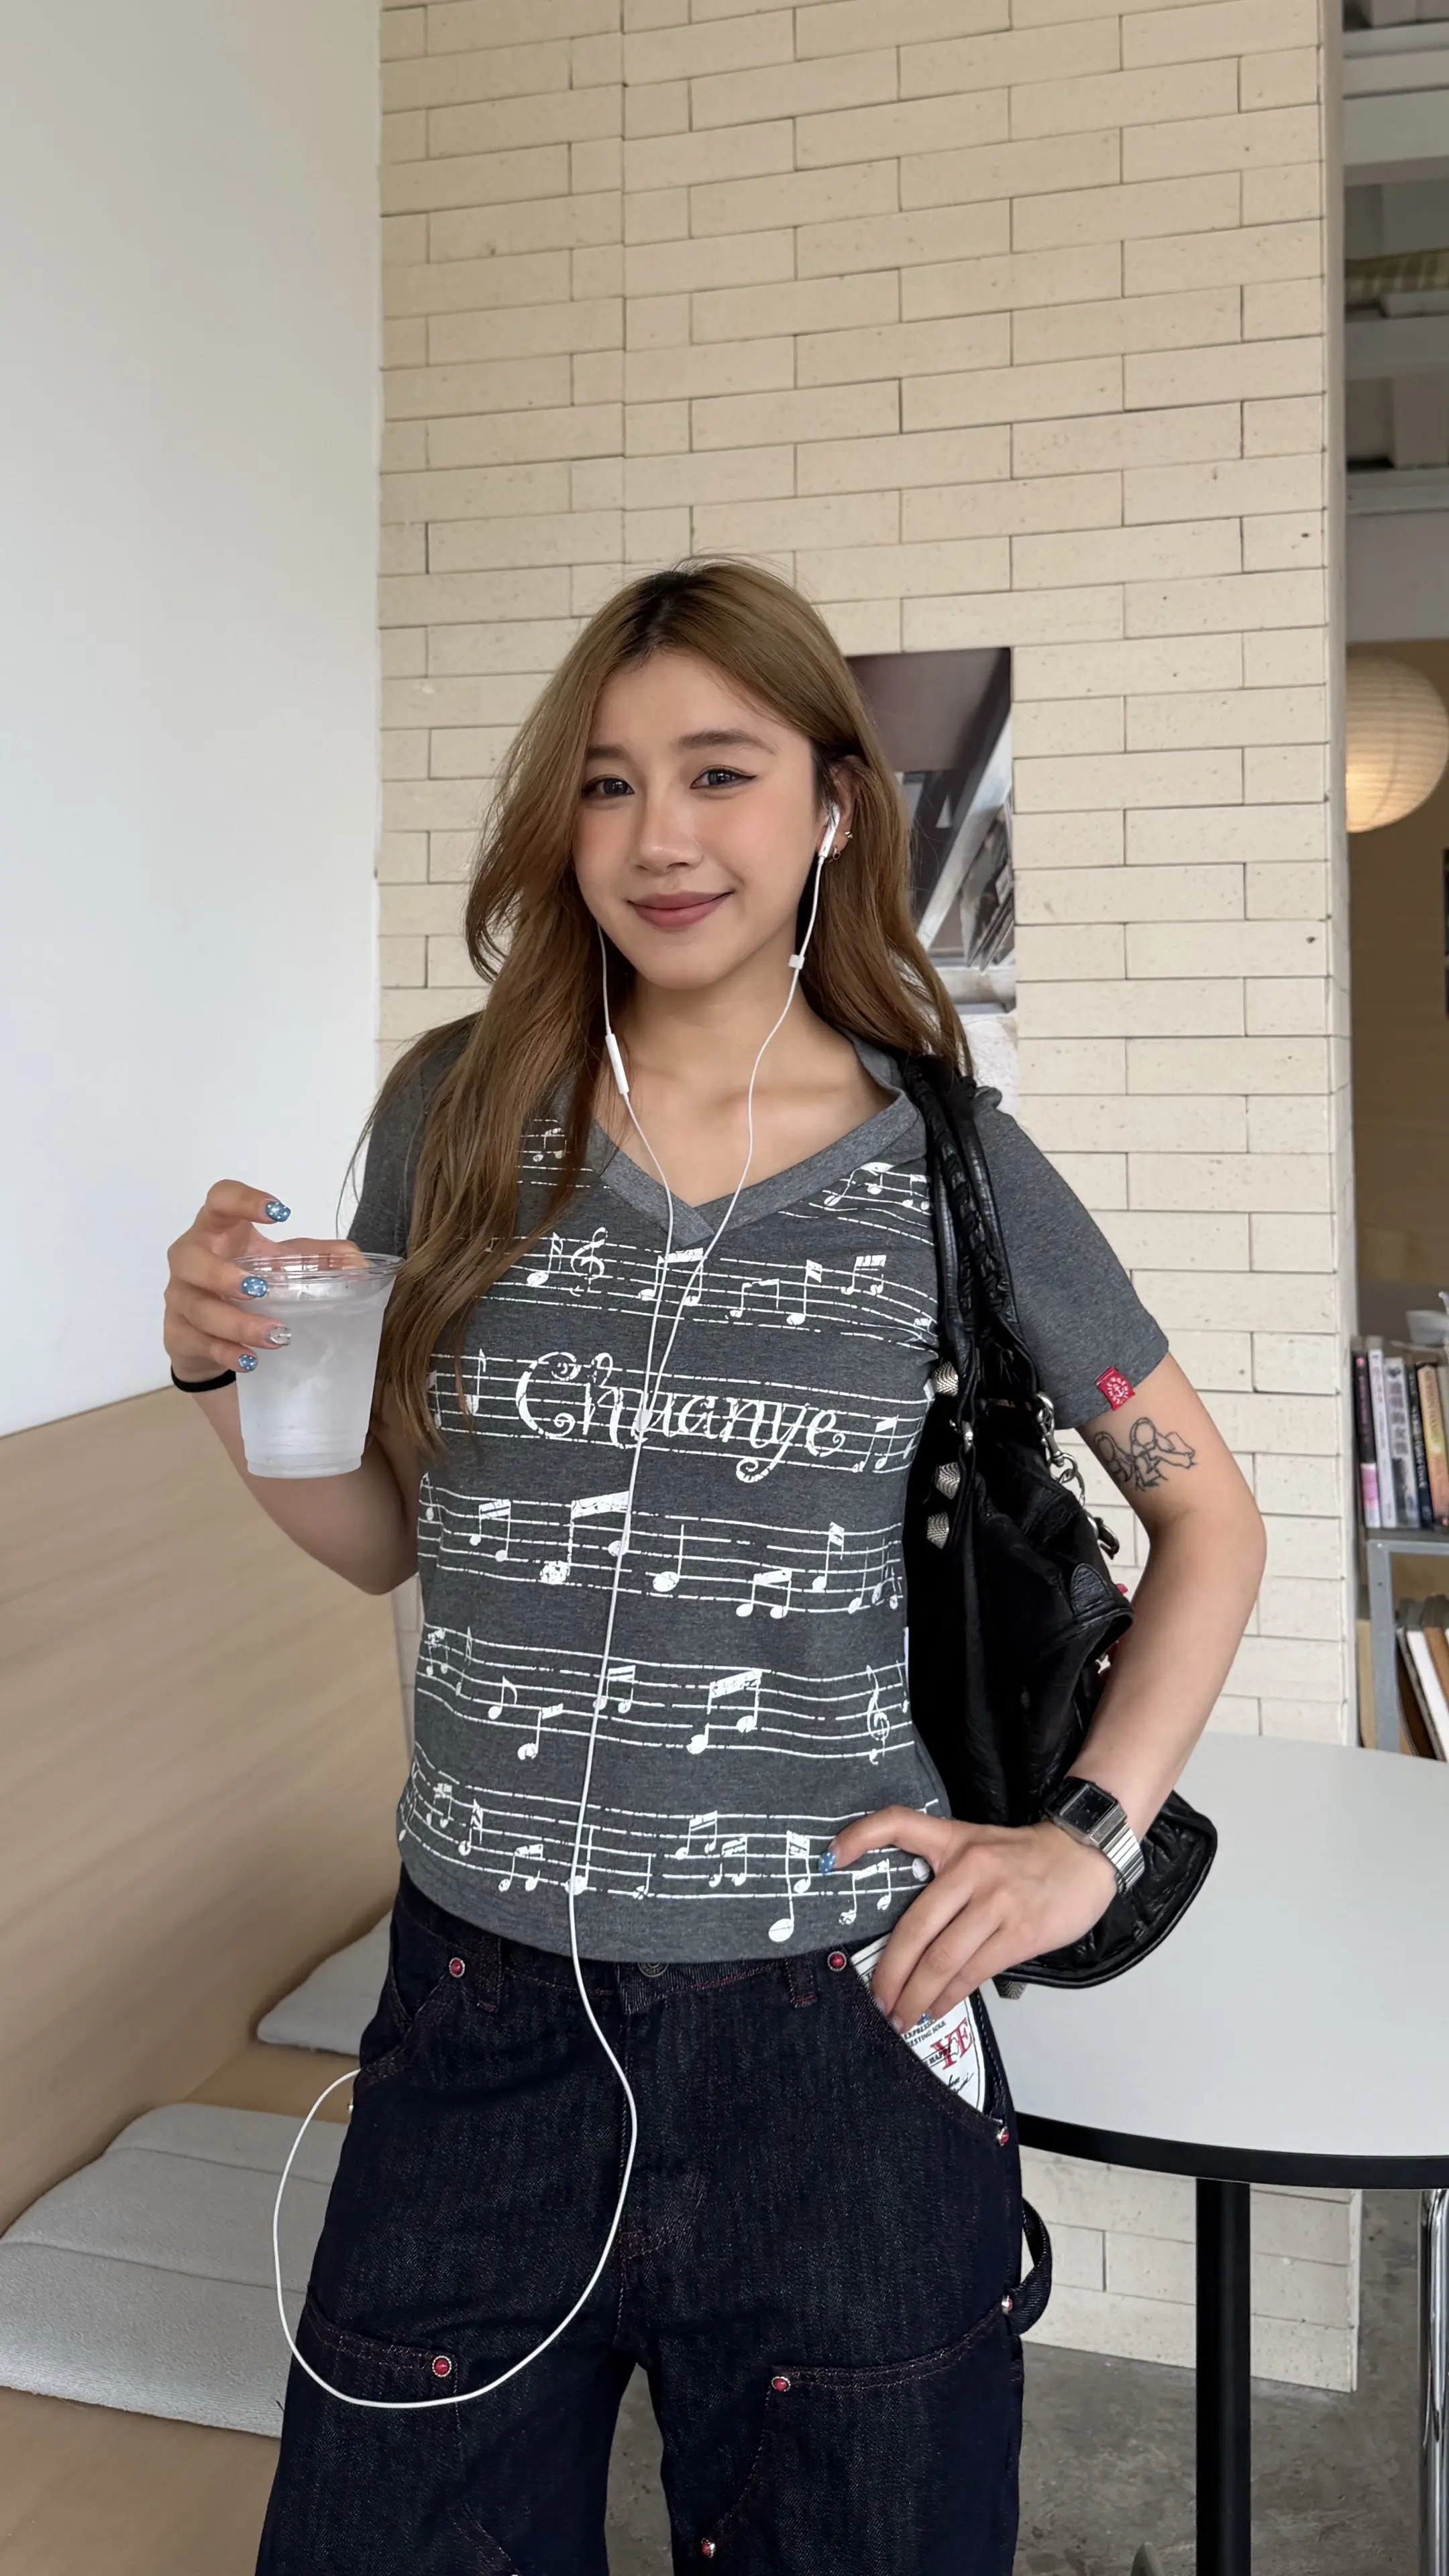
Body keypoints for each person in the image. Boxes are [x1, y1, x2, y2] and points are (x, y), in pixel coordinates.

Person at [164, 559, 1266, 2575]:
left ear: (836, 805)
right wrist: (222, 1374)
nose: (660, 836)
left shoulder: (953, 1166)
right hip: (478, 2020)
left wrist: (1088, 1842)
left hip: (841, 2033)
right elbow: (387, 1534)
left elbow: (1209, 1511)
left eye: (719, 772)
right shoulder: (454, 1115)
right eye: (606, 783)